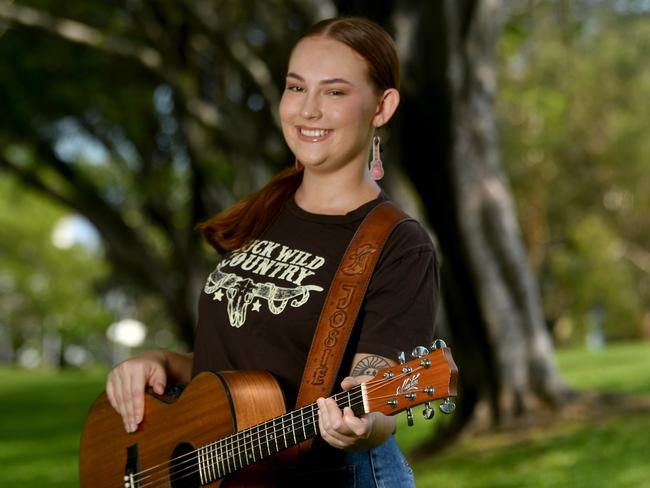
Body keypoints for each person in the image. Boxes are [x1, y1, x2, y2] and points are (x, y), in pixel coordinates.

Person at [106, 16, 438, 487]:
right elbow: (240, 370)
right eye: (296, 87)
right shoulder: (266, 209)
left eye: (335, 92)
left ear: (382, 107)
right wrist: (158, 362)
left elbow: (376, 391)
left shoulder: (398, 244)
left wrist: (362, 425)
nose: (308, 110)